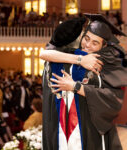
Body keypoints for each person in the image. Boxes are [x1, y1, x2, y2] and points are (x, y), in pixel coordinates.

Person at [40, 14, 127, 150]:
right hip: (69, 126)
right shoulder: (76, 55)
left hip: (93, 126)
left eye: (95, 43)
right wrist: (81, 59)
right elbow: (45, 53)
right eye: (86, 39)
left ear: (104, 45)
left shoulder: (108, 62)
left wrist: (76, 87)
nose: (87, 45)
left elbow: (113, 98)